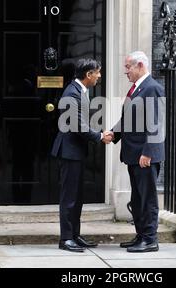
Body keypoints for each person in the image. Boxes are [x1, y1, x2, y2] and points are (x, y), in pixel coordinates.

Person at [51, 58, 113, 253]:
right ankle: (66, 238)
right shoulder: (71, 93)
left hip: (76, 152)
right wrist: (99, 136)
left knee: (77, 198)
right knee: (69, 198)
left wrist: (97, 132)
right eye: (97, 72)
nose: (99, 76)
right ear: (88, 75)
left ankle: (75, 235)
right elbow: (77, 125)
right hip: (69, 153)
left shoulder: (80, 91)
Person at [110, 51, 166, 253]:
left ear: (140, 65)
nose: (126, 71)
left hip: (144, 156)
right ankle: (141, 235)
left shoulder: (152, 88)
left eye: (128, 67)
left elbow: (156, 124)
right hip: (134, 154)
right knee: (138, 199)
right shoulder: (137, 89)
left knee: (147, 198)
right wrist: (112, 134)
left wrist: (148, 153)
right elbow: (128, 120)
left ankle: (150, 239)